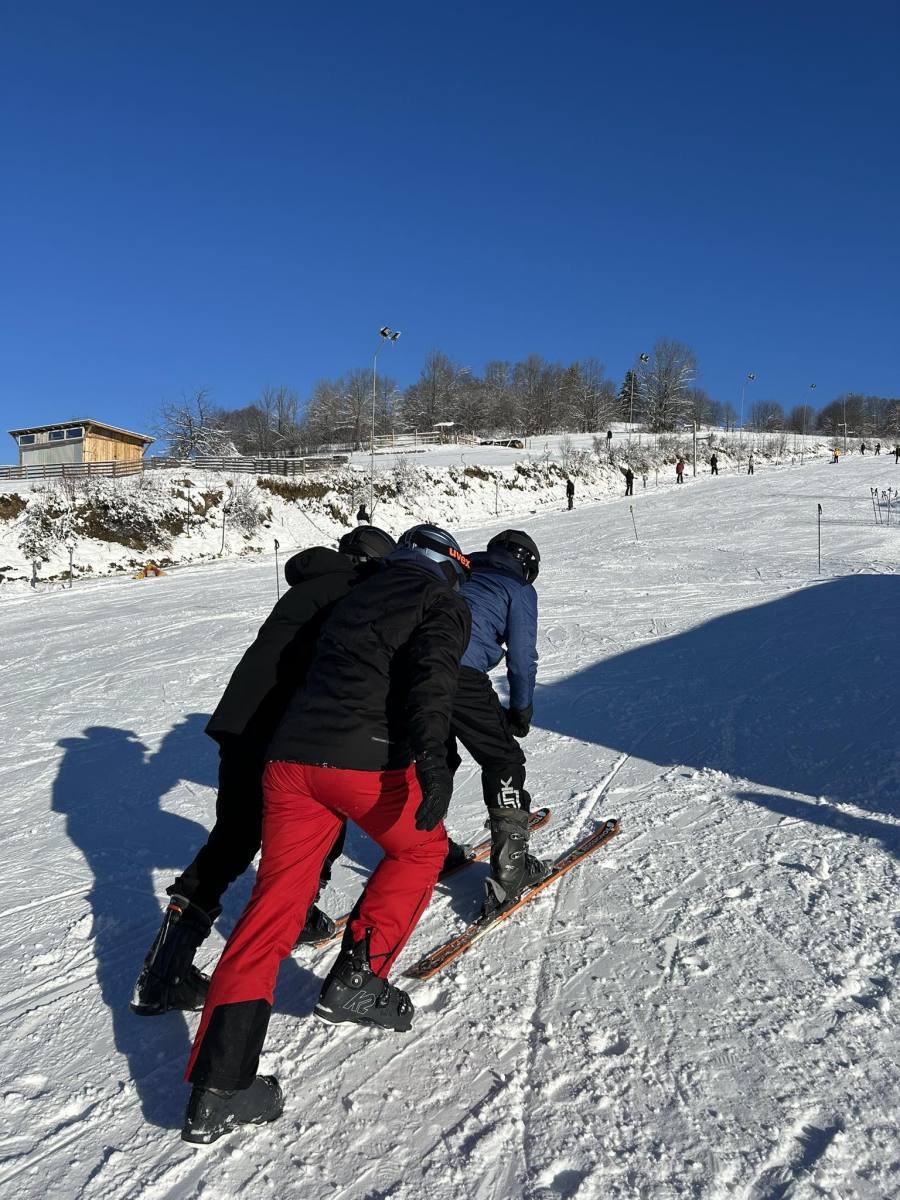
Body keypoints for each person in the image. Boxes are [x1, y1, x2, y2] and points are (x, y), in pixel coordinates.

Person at [180, 525, 471, 1143]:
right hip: (362, 761)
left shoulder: (353, 593)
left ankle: (220, 1088)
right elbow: (432, 682)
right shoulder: (441, 600)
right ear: (448, 566)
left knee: (272, 909)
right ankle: (358, 980)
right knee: (421, 849)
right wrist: (434, 763)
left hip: (289, 761)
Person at [130, 526, 397, 1018]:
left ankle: (164, 973)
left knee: (233, 839)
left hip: (240, 723)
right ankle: (281, 919)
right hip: (281, 729)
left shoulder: (312, 585)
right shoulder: (352, 591)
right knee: (321, 820)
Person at [445, 530, 547, 916]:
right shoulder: (517, 588)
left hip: (414, 673)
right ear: (527, 566)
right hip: (461, 674)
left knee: (435, 760)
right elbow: (521, 657)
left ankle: (427, 848)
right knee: (503, 760)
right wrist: (520, 709)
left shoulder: (459, 570)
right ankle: (510, 871)